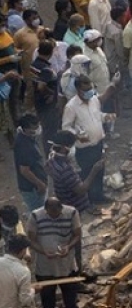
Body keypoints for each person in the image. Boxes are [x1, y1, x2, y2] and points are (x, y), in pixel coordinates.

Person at [26, 198, 82, 308]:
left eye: (56, 213)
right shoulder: (35, 216)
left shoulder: (72, 213)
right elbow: (30, 240)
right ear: (45, 210)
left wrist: (68, 247)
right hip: (45, 270)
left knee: (71, 304)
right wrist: (43, 252)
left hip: (67, 267)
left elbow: (77, 234)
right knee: (48, 305)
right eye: (51, 214)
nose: (54, 216)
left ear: (61, 208)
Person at [62, 75, 119, 204]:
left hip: (98, 144)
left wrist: (106, 117)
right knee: (88, 174)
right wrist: (77, 135)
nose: (89, 92)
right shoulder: (71, 107)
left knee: (100, 170)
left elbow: (97, 116)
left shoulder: (94, 100)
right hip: (85, 148)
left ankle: (99, 196)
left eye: (90, 88)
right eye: (85, 89)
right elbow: (66, 127)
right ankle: (89, 201)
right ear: (78, 89)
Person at [46, 130, 102, 213]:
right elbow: (81, 190)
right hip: (75, 206)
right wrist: (94, 170)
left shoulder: (52, 157)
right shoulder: (65, 169)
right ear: (64, 148)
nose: (73, 148)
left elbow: (47, 169)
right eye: (71, 146)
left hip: (63, 198)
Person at [13, 114, 47, 211]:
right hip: (32, 188)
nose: (38, 129)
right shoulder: (24, 146)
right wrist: (39, 184)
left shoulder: (29, 137)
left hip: (36, 184)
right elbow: (24, 170)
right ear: (26, 129)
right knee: (39, 213)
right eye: (35, 128)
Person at [13, 9, 45, 111]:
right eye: (33, 18)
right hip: (29, 68)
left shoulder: (42, 30)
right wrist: (20, 53)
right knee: (30, 91)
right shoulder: (20, 34)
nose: (36, 20)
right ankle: (28, 112)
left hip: (44, 65)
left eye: (37, 17)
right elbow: (14, 48)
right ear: (26, 20)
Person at [31, 43, 60, 152]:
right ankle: (50, 154)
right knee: (50, 130)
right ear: (51, 53)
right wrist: (52, 93)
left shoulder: (34, 64)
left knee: (46, 129)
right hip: (48, 104)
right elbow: (41, 86)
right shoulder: (46, 69)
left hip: (38, 102)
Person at [83, 30, 111, 96]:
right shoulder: (85, 56)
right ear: (90, 42)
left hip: (106, 86)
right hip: (97, 92)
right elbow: (85, 75)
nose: (100, 41)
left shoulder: (98, 49)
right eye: (97, 40)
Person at [104, 6, 126, 76]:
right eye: (124, 16)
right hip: (115, 61)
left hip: (108, 57)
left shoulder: (109, 24)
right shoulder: (116, 32)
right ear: (119, 18)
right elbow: (120, 50)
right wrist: (125, 59)